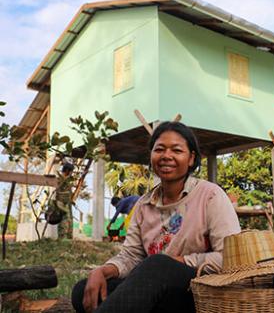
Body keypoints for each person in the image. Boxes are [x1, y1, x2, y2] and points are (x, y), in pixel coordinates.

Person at [72, 122, 241, 313]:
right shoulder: (144, 204)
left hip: (199, 294)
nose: (166, 156)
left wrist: (180, 262)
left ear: (191, 158)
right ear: (151, 156)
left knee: (158, 264)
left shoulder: (210, 195)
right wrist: (103, 270)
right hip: (156, 288)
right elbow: (132, 255)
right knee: (84, 290)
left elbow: (230, 257)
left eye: (177, 150)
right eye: (159, 149)